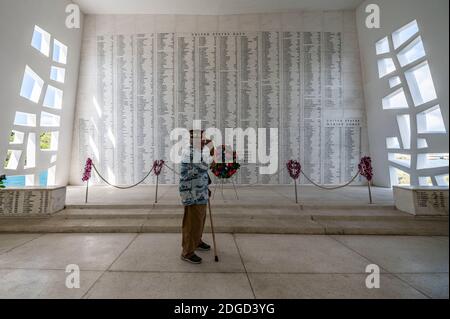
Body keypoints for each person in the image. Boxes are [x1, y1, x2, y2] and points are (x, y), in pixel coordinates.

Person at [179, 129, 214, 264]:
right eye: (201, 139)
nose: (203, 140)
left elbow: (201, 173)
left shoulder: (198, 151)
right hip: (192, 193)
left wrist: (206, 188)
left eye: (203, 138)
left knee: (200, 219)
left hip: (200, 191)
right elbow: (207, 165)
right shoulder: (191, 152)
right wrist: (212, 148)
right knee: (192, 222)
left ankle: (197, 241)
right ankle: (187, 252)